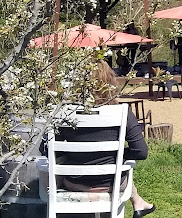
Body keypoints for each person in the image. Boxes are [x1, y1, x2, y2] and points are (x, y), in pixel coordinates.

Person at [55, 61, 156, 217]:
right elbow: (141, 152)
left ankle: (138, 202)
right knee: (119, 166)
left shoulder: (64, 114)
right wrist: (115, 155)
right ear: (110, 81)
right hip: (111, 184)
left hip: (75, 183)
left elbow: (50, 151)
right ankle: (138, 201)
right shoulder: (121, 112)